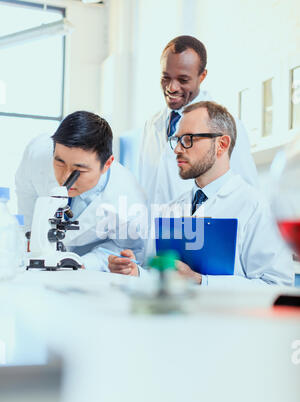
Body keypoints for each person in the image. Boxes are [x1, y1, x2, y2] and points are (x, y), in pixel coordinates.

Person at [108, 101, 293, 287]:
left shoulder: (257, 207)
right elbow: (161, 273)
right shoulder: (172, 208)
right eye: (177, 140)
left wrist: (200, 281)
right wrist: (136, 272)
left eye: (188, 139)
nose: (178, 149)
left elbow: (276, 285)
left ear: (221, 144)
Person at [15, 111, 147, 270]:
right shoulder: (37, 155)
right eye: (60, 162)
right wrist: (33, 235)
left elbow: (129, 250)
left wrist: (88, 263)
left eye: (80, 170)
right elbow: (25, 192)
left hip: (89, 267)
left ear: (107, 164)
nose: (65, 178)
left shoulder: (128, 198)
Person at [138, 35, 258, 204]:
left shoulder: (226, 124)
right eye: (166, 77)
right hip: (156, 228)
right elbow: (146, 187)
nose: (171, 88)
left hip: (202, 228)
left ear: (202, 76)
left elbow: (248, 193)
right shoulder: (151, 126)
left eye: (183, 79)